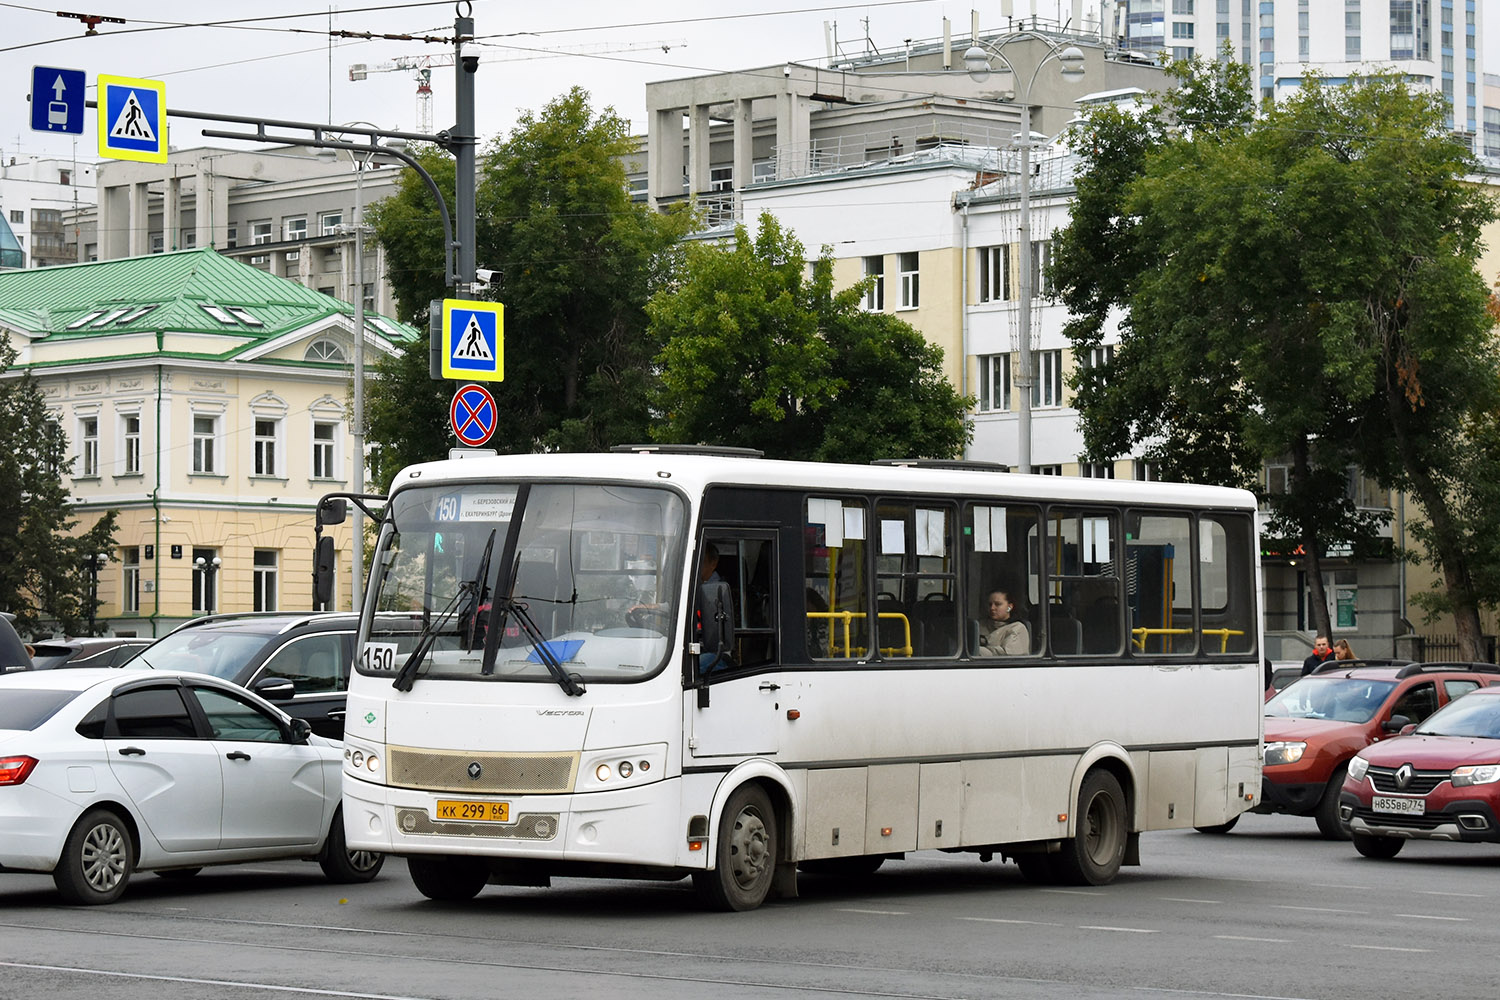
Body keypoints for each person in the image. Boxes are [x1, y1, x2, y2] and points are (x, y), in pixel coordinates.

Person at [975, 589, 1028, 656]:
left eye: (997, 604)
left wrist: (977, 650)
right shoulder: (980, 625)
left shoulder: (1017, 628)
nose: (992, 608)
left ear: (1009, 607)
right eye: (990, 604)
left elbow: (1008, 656)